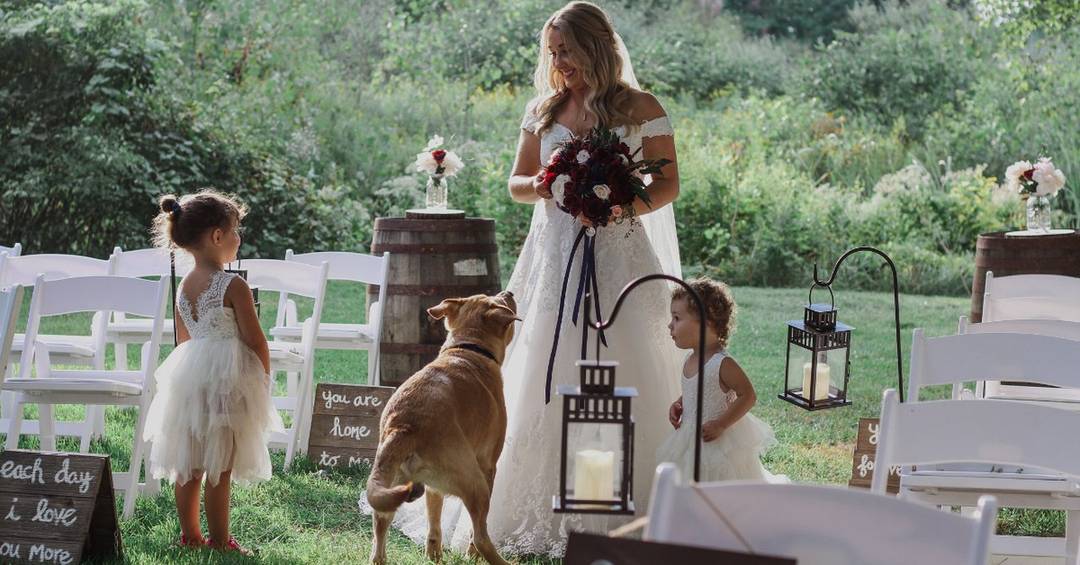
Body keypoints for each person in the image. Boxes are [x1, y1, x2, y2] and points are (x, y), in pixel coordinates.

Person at [364, 1, 684, 557]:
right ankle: (525, 502)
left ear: (598, 47)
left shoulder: (640, 107)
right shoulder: (545, 108)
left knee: (624, 364)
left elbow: (669, 184)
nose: (559, 62)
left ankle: (625, 504)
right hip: (555, 257)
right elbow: (515, 182)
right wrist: (543, 183)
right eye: (553, 52)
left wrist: (618, 207)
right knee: (543, 364)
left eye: (568, 51)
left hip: (620, 255)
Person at [144, 190, 284, 554]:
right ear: (217, 236)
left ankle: (190, 535)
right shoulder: (232, 284)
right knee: (219, 466)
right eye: (236, 231)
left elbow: (185, 337)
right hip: (227, 380)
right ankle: (221, 540)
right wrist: (263, 380)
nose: (239, 239)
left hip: (189, 376)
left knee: (188, 462)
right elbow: (256, 341)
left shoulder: (184, 287)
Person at [658, 278, 786, 483]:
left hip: (716, 441)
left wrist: (721, 424)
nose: (669, 325)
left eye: (676, 318)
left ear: (706, 322)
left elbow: (748, 395)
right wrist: (680, 402)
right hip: (690, 436)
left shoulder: (722, 363)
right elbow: (698, 388)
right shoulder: (689, 359)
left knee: (718, 484)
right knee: (690, 480)